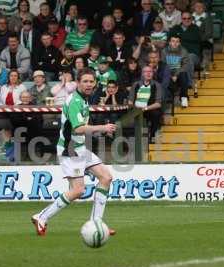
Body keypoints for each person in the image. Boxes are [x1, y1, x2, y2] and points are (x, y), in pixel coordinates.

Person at [31, 68, 117, 236]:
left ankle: (96, 223)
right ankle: (41, 216)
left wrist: (100, 131)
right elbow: (78, 128)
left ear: (95, 83)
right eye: (84, 81)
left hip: (79, 148)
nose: (88, 84)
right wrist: (103, 127)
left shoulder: (84, 99)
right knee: (78, 190)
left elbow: (80, 127)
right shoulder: (75, 101)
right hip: (70, 149)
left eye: (91, 81)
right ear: (77, 83)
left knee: (106, 177)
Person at [128, 65, 163, 139]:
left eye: (150, 72)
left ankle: (152, 136)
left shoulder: (157, 85)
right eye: (146, 72)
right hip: (136, 109)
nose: (148, 74)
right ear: (142, 74)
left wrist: (145, 108)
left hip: (149, 109)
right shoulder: (136, 84)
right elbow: (130, 101)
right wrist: (135, 108)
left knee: (156, 114)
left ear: (153, 73)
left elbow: (158, 104)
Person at [161, 35, 190, 107]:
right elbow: (163, 65)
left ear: (179, 43)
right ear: (169, 42)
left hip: (179, 73)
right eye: (173, 41)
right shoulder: (164, 51)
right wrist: (171, 75)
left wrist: (176, 74)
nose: (175, 43)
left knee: (184, 74)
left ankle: (184, 97)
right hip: (168, 73)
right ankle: (168, 98)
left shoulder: (183, 51)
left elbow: (185, 65)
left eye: (177, 41)